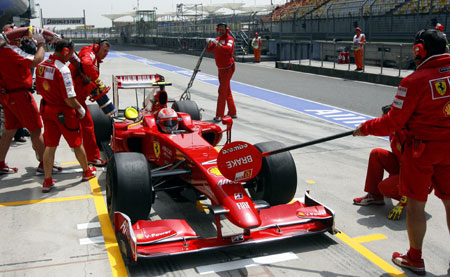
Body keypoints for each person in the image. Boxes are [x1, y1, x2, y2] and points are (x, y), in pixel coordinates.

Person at [353, 29, 450, 275]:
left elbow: (391, 123)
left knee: (416, 205)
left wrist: (365, 128)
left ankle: (415, 258)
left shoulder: (414, 81)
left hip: (422, 151)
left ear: (420, 50)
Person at [36, 39, 96, 192]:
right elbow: (69, 98)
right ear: (65, 51)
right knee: (76, 143)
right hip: (64, 113)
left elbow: (39, 90)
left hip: (47, 110)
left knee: (50, 146)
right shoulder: (63, 69)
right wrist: (80, 109)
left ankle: (47, 181)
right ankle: (86, 171)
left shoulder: (41, 66)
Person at [0, 25, 47, 174]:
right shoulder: (9, 50)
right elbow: (35, 60)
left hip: (7, 95)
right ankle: (46, 164)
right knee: (35, 129)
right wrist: (41, 44)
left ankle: (0, 163)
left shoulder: (3, 50)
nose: (20, 40)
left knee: (9, 130)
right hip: (19, 95)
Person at [353, 105, 408, 220]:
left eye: (386, 120)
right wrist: (363, 128)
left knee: (384, 187)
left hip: (416, 176)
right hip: (402, 166)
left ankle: (411, 198)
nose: (384, 122)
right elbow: (378, 126)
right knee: (376, 154)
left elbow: (422, 167)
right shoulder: (394, 130)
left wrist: (403, 202)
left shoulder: (408, 135)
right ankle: (375, 196)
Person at [69, 39, 111, 167]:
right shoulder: (90, 53)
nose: (105, 54)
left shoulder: (93, 55)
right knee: (83, 127)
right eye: (104, 50)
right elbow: (86, 65)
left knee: (82, 127)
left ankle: (44, 162)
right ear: (97, 47)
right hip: (72, 99)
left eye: (107, 52)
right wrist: (98, 81)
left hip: (74, 97)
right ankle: (92, 157)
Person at [206, 23, 237, 122]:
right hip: (221, 68)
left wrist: (217, 44)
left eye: (223, 29)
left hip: (228, 68)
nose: (221, 31)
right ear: (217, 30)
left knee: (222, 91)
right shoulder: (218, 39)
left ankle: (219, 115)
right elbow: (208, 50)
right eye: (220, 29)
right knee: (226, 90)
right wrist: (209, 43)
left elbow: (227, 49)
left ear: (226, 30)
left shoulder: (230, 39)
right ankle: (232, 112)